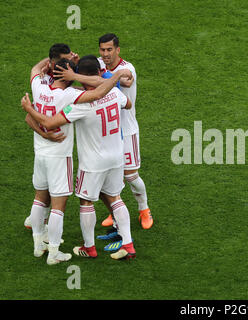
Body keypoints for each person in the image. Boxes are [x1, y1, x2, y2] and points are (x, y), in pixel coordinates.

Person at [22, 57, 136, 260]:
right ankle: (128, 244)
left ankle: (89, 247)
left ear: (80, 77)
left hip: (93, 162)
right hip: (117, 157)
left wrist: (29, 109)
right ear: (100, 73)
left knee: (86, 202)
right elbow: (127, 104)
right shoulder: (114, 92)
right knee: (116, 198)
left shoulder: (79, 103)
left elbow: (48, 122)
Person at [97, 33, 153, 230]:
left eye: (109, 50)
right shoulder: (98, 64)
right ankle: (115, 212)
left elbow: (126, 81)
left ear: (117, 50)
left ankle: (144, 209)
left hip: (127, 130)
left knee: (130, 176)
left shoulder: (127, 68)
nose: (105, 54)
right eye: (102, 50)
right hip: (108, 133)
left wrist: (100, 75)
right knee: (111, 178)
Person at [23, 43, 80, 230]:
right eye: (66, 60)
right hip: (59, 153)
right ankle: (53, 249)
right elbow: (96, 92)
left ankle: (38, 238)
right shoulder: (69, 95)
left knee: (40, 196)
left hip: (40, 151)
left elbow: (28, 117)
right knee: (58, 204)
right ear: (55, 65)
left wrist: (42, 134)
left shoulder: (39, 85)